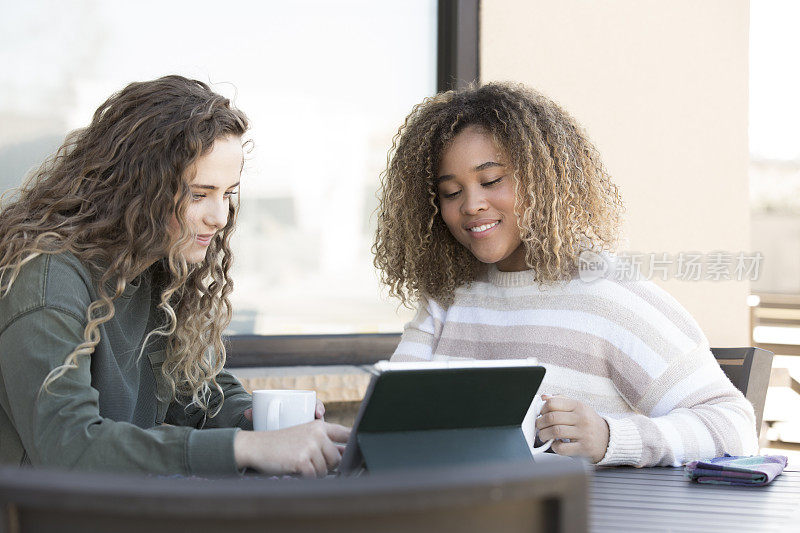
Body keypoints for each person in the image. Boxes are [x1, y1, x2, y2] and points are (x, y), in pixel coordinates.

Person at [373, 82, 758, 467]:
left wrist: (611, 436)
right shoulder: (446, 300)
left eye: (491, 181)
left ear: (544, 178)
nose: (472, 204)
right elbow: (389, 427)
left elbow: (734, 427)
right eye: (451, 192)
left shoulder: (608, 293)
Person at [0, 75, 349, 478]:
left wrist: (254, 420)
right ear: (135, 187)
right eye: (198, 194)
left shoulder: (156, 267)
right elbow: (68, 444)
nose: (219, 217)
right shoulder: (46, 276)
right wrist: (245, 446)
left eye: (228, 193)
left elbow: (196, 387)